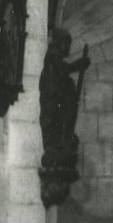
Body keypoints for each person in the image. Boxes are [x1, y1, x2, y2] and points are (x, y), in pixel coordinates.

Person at [39, 28, 90, 172]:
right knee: (54, 132)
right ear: (58, 43)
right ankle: (56, 150)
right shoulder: (51, 58)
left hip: (60, 110)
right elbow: (61, 70)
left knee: (63, 134)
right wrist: (77, 65)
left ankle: (62, 146)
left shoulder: (56, 61)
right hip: (53, 108)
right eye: (66, 44)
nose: (68, 48)